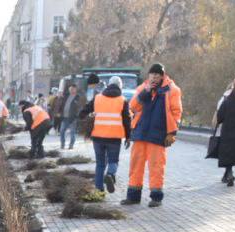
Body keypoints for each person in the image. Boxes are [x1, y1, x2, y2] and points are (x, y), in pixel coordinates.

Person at [121, 62, 183, 208]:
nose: (154, 77)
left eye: (157, 75)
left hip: (158, 134)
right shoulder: (143, 88)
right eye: (152, 74)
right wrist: (146, 92)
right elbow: (133, 107)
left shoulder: (172, 90)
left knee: (156, 167)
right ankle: (133, 196)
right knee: (136, 166)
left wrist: (172, 133)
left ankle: (156, 198)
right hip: (141, 133)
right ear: (148, 75)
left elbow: (176, 113)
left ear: (162, 76)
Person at [78, 75, 132, 193]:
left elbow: (82, 113)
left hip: (98, 136)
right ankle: (110, 174)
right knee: (113, 161)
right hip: (114, 137)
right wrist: (128, 137)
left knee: (100, 163)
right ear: (120, 87)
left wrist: (88, 119)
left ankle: (99, 190)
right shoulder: (122, 100)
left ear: (108, 85)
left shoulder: (98, 98)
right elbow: (127, 120)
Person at [58, 83, 86, 149]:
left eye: (72, 89)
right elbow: (62, 105)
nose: (71, 90)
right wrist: (59, 112)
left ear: (76, 89)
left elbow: (80, 108)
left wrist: (76, 116)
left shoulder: (78, 97)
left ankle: (71, 145)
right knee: (62, 131)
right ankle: (62, 144)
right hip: (64, 117)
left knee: (72, 132)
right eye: (70, 89)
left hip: (73, 118)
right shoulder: (66, 96)